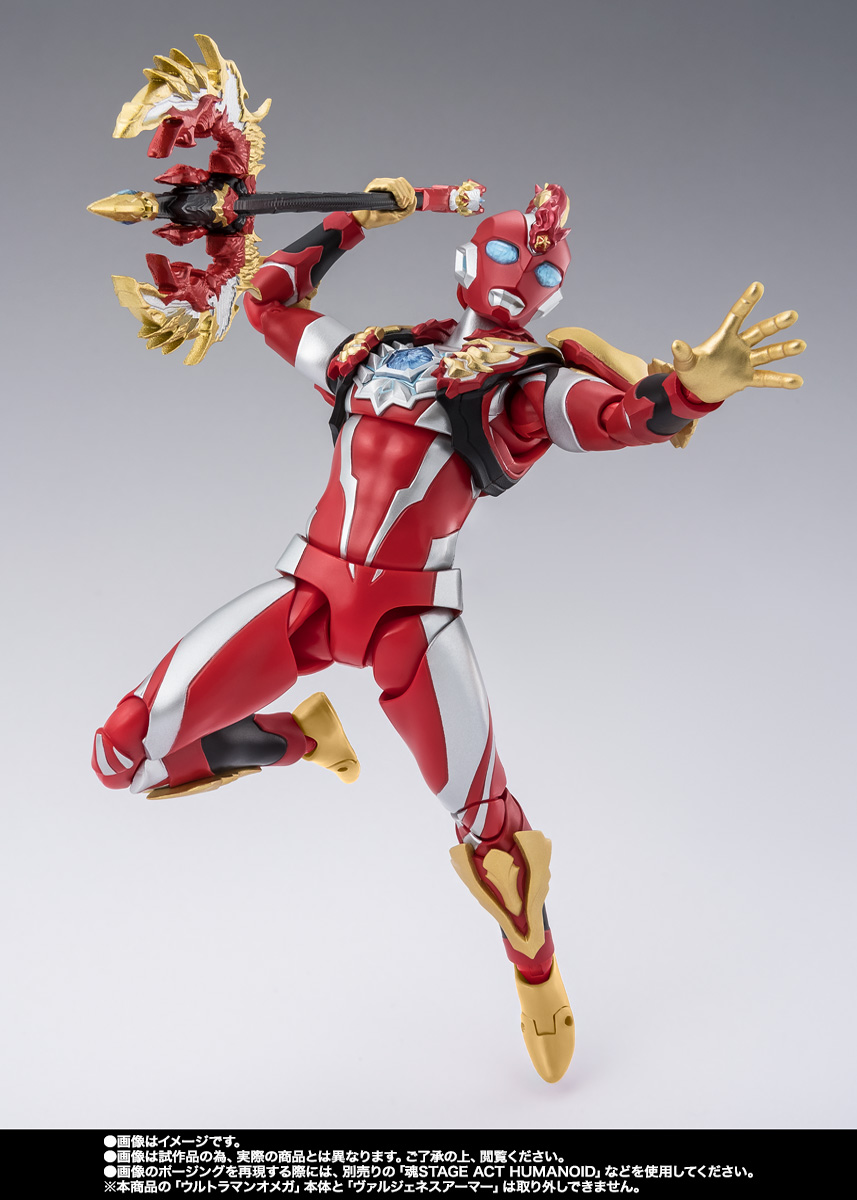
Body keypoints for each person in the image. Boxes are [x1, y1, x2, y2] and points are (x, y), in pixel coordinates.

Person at [93, 176, 804, 1082]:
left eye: (544, 269)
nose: (521, 276)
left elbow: (625, 417)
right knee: (122, 755)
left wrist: (693, 392)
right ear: (467, 260)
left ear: (554, 295)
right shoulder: (371, 354)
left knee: (491, 835)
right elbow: (269, 298)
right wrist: (357, 218)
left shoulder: (524, 387)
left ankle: (537, 977)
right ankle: (297, 738)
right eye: (506, 252)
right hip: (305, 595)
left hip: (411, 623)